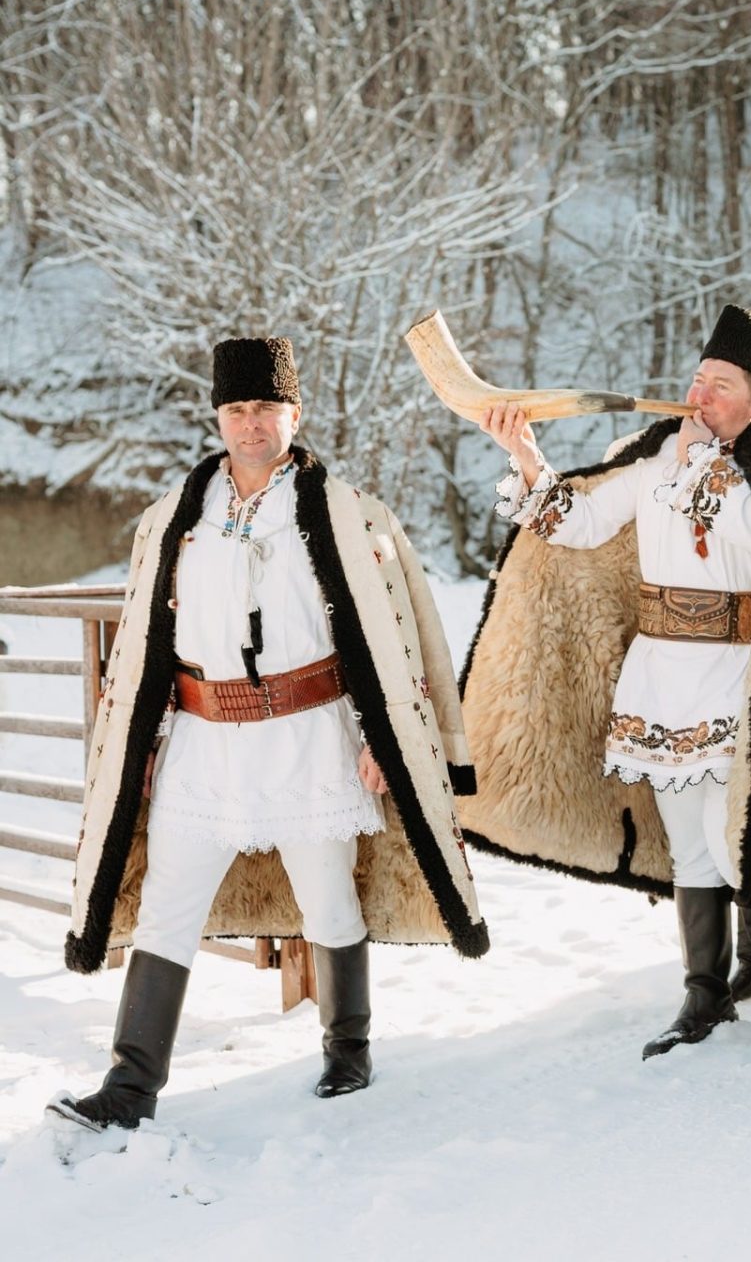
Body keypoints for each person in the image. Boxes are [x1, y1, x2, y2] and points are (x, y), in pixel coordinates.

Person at [50, 337, 488, 1131]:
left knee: (328, 900)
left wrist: (380, 736)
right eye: (236, 409)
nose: (250, 424)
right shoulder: (173, 519)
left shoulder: (349, 515)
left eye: (265, 408)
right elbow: (148, 644)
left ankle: (347, 1049)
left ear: (295, 413)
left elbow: (389, 638)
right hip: (204, 741)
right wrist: (145, 741)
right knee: (168, 906)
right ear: (219, 417)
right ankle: (130, 1085)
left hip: (309, 735)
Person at [462, 305, 751, 1056]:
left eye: (721, 385)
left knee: (737, 836)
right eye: (698, 379)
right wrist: (526, 454)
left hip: (742, 676)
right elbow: (575, 524)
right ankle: (704, 993)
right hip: (661, 676)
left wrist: (704, 469)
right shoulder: (651, 460)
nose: (700, 395)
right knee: (690, 847)